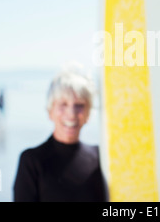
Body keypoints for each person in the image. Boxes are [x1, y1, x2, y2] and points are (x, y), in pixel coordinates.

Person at [13, 65, 108, 202]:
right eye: (63, 104)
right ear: (50, 111)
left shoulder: (101, 157)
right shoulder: (32, 161)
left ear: (89, 113)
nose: (71, 114)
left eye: (79, 105)